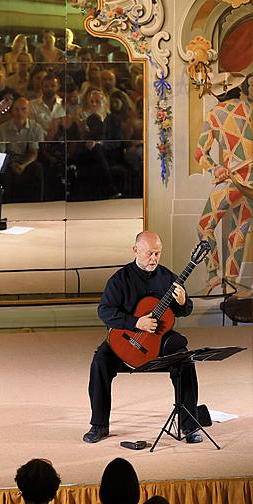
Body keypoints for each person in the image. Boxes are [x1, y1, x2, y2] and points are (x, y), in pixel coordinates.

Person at [83, 231, 202, 444]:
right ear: (135, 250)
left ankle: (190, 425)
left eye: (158, 254)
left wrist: (184, 302)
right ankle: (99, 425)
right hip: (126, 339)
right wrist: (135, 322)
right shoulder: (120, 280)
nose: (154, 259)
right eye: (149, 253)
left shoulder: (168, 277)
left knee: (185, 360)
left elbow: (185, 310)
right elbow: (104, 311)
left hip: (159, 339)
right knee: (100, 361)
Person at [195, 72, 252, 293]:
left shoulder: (215, 113)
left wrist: (216, 167)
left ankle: (213, 276)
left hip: (232, 181)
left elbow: (200, 154)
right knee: (238, 232)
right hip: (248, 185)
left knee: (204, 227)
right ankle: (231, 283)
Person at [0, 96, 44, 202]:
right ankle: (6, 204)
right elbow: (1, 153)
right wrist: (12, 164)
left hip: (26, 162)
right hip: (8, 161)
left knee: (37, 168)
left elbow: (34, 152)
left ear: (29, 111)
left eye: (23, 109)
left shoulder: (36, 128)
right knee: (3, 173)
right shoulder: (2, 129)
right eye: (16, 109)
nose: (20, 113)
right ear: (12, 111)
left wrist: (22, 165)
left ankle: (36, 204)